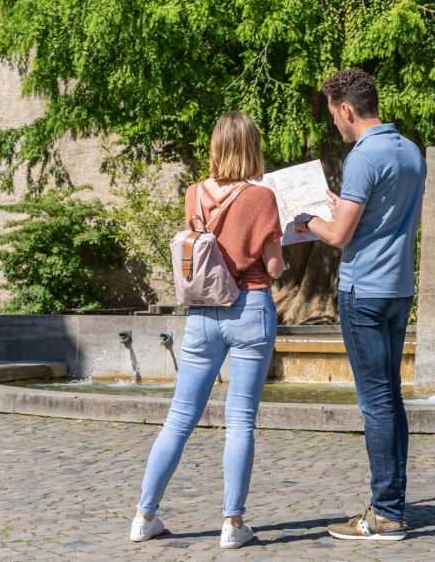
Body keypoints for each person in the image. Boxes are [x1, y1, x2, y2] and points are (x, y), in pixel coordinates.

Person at [131, 111, 284, 549]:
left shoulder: (194, 193)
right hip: (250, 307)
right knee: (240, 421)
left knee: (179, 419)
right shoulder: (262, 197)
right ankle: (233, 525)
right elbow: (274, 267)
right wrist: (282, 237)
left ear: (216, 148)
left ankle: (144, 517)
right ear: (252, 148)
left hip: (202, 312)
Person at [293, 68, 426, 541]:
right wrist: (342, 205)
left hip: (363, 292)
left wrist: (307, 219)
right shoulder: (410, 151)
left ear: (347, 109)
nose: (335, 124)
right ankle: (393, 503)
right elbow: (382, 216)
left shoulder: (363, 156)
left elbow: (340, 235)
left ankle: (386, 513)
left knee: (375, 404)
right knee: (391, 398)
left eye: (334, 115)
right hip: (398, 290)